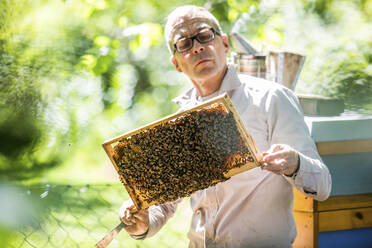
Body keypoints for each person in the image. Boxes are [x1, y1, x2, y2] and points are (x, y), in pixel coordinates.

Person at [119, 5, 331, 248]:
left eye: (204, 36)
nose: (197, 46)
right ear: (177, 64)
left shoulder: (272, 99)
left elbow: (322, 185)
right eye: (184, 43)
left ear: (224, 44)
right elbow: (165, 204)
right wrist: (142, 223)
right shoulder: (180, 121)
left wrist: (295, 163)